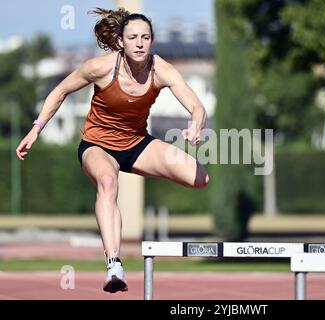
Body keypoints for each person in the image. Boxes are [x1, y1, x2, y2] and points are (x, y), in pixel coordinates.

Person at [15, 7, 209, 294]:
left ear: (152, 41)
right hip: (97, 145)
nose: (140, 43)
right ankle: (114, 263)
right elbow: (59, 91)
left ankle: (144, 171)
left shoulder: (162, 70)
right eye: (133, 38)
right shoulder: (101, 68)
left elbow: (197, 106)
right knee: (108, 183)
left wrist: (195, 126)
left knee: (200, 178)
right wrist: (36, 127)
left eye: (145, 37)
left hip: (136, 144)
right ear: (121, 42)